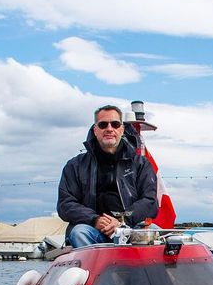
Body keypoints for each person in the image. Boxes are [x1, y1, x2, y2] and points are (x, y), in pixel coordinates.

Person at [57, 105, 159, 248]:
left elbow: (150, 202)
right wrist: (95, 220)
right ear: (95, 130)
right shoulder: (75, 166)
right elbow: (65, 204)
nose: (109, 128)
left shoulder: (141, 164)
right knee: (79, 232)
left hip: (132, 227)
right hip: (92, 230)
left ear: (122, 129)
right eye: (103, 124)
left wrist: (123, 221)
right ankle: (93, 270)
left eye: (115, 124)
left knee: (158, 232)